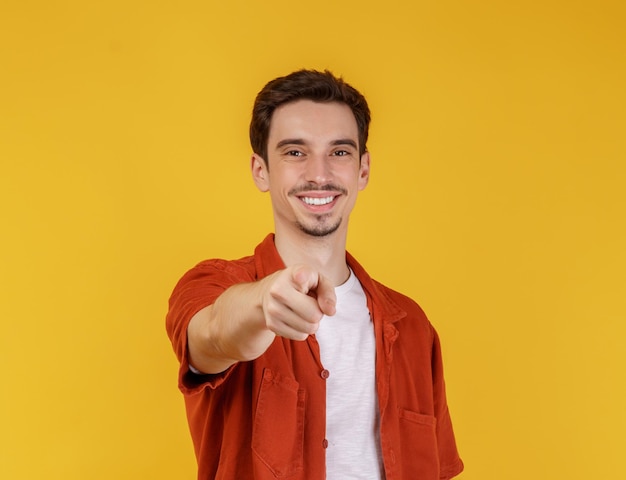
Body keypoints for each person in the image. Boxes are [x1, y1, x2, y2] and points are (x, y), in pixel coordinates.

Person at [166, 69, 464, 480]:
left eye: (339, 152)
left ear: (362, 169)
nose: (319, 174)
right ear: (260, 170)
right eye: (294, 152)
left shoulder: (413, 325)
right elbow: (212, 334)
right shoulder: (214, 286)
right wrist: (261, 303)